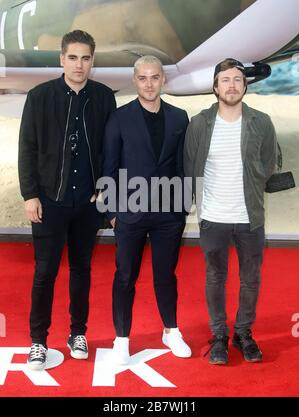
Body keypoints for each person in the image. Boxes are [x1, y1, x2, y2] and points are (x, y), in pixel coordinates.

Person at [18, 30, 116, 370]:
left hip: (87, 203)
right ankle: (38, 341)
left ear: (93, 61)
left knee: (81, 270)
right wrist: (29, 194)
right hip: (49, 200)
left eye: (85, 58)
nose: (79, 64)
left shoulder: (104, 97)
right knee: (44, 272)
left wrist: (105, 188)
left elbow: (110, 148)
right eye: (72, 57)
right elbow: (27, 148)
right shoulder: (40, 96)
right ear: (61, 59)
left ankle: (78, 333)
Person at [184, 58, 277, 365]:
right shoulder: (199, 123)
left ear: (245, 85)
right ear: (215, 87)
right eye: (225, 80)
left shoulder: (260, 121)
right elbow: (189, 166)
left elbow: (266, 164)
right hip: (213, 217)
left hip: (249, 217)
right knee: (216, 278)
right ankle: (220, 335)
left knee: (251, 280)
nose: (232, 85)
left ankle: (243, 333)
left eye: (237, 79)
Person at [102, 55, 191, 364]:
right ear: (135, 80)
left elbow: (183, 166)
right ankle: (122, 338)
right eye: (143, 78)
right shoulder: (119, 118)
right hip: (130, 213)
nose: (149, 83)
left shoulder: (180, 118)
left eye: (155, 77)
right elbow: (109, 165)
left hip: (169, 215)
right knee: (125, 276)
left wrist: (182, 206)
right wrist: (113, 212)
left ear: (163, 79)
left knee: (165, 275)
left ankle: (171, 330)